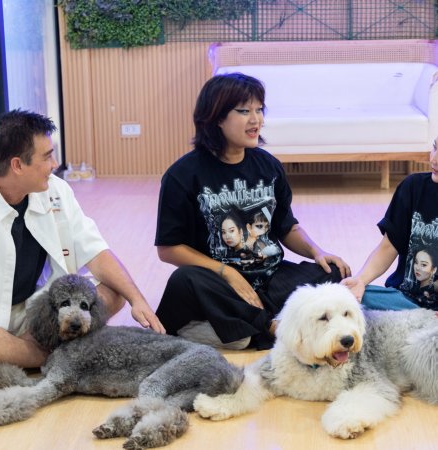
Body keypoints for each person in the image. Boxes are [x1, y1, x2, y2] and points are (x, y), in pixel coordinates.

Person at [154, 73, 350, 350]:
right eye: (244, 111)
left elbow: (286, 227)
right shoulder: (182, 175)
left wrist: (317, 252)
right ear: (216, 117)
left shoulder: (268, 166)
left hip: (270, 277)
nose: (256, 120)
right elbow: (169, 249)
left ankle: (240, 329)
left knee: (334, 272)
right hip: (219, 284)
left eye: (259, 110)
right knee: (184, 280)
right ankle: (270, 326)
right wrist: (227, 273)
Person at [0, 109, 165, 368]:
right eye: (47, 156)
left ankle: (22, 353)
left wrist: (137, 300)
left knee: (114, 291)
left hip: (38, 314)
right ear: (17, 165)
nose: (55, 164)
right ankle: (41, 355)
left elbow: (95, 251)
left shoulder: (56, 190)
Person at [342, 137, 438, 312]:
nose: (434, 159)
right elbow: (388, 247)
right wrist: (360, 281)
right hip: (403, 302)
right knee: (346, 299)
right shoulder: (413, 187)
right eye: (435, 147)